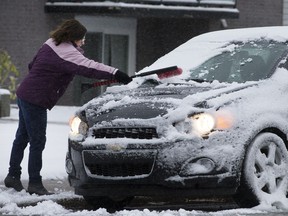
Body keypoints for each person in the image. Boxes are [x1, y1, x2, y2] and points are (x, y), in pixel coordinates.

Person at [4, 19, 132, 195]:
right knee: (37, 141)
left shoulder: (51, 43)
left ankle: (13, 176)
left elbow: (32, 65)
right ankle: (34, 183)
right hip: (35, 99)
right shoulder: (67, 52)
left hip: (25, 93)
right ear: (73, 37)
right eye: (82, 39)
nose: (83, 42)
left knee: (22, 137)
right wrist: (116, 73)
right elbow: (90, 67)